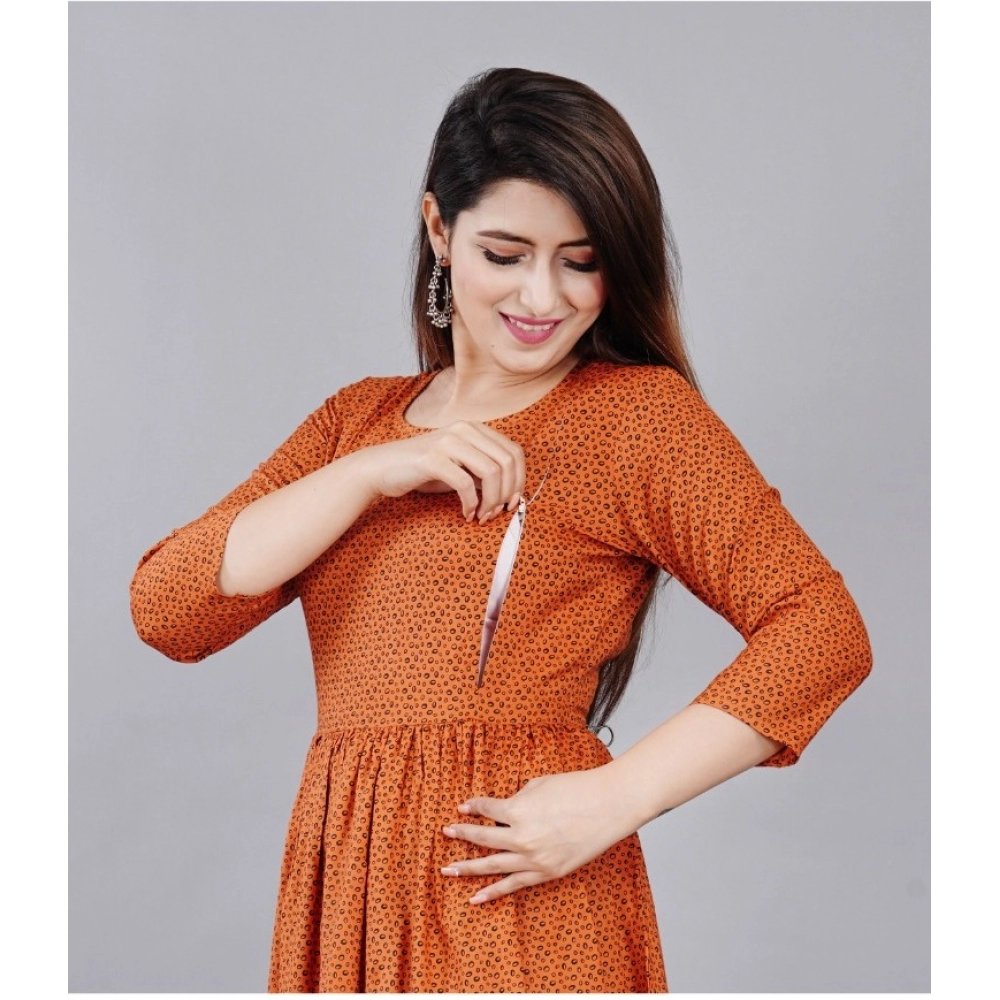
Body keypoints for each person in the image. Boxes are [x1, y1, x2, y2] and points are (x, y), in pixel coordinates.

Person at [130, 67, 872, 993]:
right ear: (440, 231)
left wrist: (616, 798)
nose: (543, 296)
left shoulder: (635, 420)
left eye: (581, 261)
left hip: (518, 897)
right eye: (507, 253)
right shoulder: (355, 424)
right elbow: (170, 610)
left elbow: (822, 629)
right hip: (353, 895)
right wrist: (370, 472)